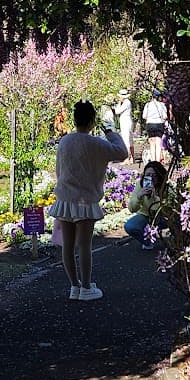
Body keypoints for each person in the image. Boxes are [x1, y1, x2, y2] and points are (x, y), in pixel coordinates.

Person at [51, 100, 129, 301]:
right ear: (92, 121)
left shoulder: (65, 141)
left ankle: (74, 286)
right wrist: (110, 130)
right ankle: (86, 287)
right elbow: (121, 152)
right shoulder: (96, 144)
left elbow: (59, 170)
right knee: (84, 245)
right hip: (85, 200)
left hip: (65, 198)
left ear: (75, 119)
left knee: (67, 246)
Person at [124, 160, 170, 249]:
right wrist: (139, 196)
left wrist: (155, 198)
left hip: (162, 216)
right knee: (130, 226)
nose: (151, 178)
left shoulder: (166, 186)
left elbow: (166, 208)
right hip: (146, 215)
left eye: (154, 175)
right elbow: (131, 208)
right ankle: (147, 242)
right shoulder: (140, 185)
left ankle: (175, 242)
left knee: (176, 222)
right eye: (148, 175)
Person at [142, 92, 170, 164]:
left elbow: (144, 116)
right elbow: (165, 116)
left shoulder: (147, 105)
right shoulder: (161, 105)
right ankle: (157, 162)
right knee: (158, 143)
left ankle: (153, 161)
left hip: (150, 124)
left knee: (152, 143)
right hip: (159, 124)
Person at [115, 89, 135, 160]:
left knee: (126, 140)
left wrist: (119, 103)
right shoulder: (127, 102)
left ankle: (127, 158)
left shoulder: (126, 103)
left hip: (125, 122)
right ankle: (132, 158)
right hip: (127, 121)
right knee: (130, 140)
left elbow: (117, 111)